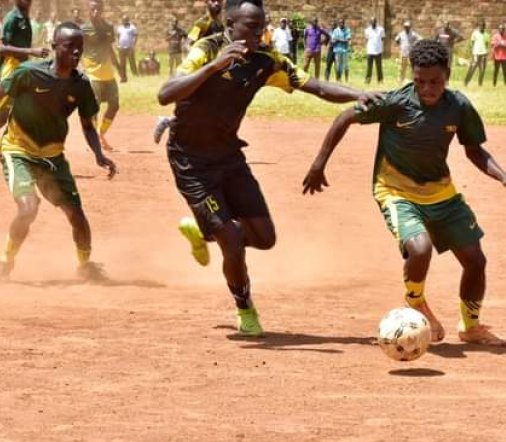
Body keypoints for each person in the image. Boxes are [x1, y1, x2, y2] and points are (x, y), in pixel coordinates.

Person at [157, 0, 380, 336]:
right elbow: (165, 93)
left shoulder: (267, 60)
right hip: (191, 159)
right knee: (232, 240)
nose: (259, 33)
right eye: (251, 26)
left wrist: (357, 94)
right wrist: (214, 67)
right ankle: (245, 307)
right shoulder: (206, 49)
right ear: (230, 24)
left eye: (262, 26)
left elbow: (314, 85)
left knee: (265, 238)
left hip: (229, 156)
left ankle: (205, 229)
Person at [304, 39, 506, 346]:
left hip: (442, 193)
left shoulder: (459, 106)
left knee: (476, 261)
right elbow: (345, 117)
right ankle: (415, 300)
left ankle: (471, 326)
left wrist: (505, 178)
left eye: (435, 82)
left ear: (448, 75)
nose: (427, 88)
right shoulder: (396, 102)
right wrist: (319, 164)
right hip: (395, 190)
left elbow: (474, 150)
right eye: (420, 81)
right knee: (420, 248)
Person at [0, 21, 117, 282]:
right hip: (18, 150)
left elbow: (88, 125)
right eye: (69, 47)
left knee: (77, 216)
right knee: (28, 208)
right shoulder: (29, 73)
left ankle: (85, 265)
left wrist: (99, 154)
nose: (76, 53)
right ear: (55, 47)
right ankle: (4, 262)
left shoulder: (80, 85)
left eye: (80, 48)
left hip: (53, 157)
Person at [0, 0, 50, 176]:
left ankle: (8, 145)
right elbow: (1, 48)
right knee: (0, 116)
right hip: (11, 69)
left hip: (22, 68)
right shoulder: (12, 18)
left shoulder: (25, 16)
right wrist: (31, 51)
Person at [154, 1, 224, 144]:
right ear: (207, 3)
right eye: (213, 0)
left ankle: (168, 122)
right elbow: (188, 43)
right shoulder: (202, 23)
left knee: (205, 109)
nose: (217, 3)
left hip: (210, 72)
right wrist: (195, 59)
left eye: (219, 1)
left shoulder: (221, 25)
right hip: (198, 71)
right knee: (201, 109)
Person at [82, 0, 121, 152]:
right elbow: (77, 50)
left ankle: (100, 133)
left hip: (109, 74)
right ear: (88, 10)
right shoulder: (84, 29)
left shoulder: (108, 28)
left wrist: (120, 69)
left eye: (98, 10)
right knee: (94, 108)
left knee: (114, 105)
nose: (95, 13)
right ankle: (93, 140)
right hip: (93, 74)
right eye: (92, 10)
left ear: (102, 10)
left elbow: (110, 49)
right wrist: (77, 68)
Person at [465, 20, 489, 86]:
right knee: (472, 68)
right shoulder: (475, 33)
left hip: (483, 54)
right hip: (476, 53)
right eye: (480, 26)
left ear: (484, 26)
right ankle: (466, 81)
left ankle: (480, 83)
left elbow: (486, 44)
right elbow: (472, 43)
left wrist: (486, 52)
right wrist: (473, 52)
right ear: (478, 26)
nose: (482, 27)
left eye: (483, 26)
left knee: (482, 70)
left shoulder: (486, 35)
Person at [116, 14, 138, 81]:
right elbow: (118, 36)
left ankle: (135, 74)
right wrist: (118, 44)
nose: (124, 21)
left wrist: (133, 45)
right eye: (123, 20)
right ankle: (123, 76)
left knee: (132, 62)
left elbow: (135, 36)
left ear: (128, 20)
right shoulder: (120, 28)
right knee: (122, 63)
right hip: (121, 48)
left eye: (126, 20)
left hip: (129, 48)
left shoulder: (132, 27)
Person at [364, 17, 385, 84]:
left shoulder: (381, 29)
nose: (373, 23)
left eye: (374, 22)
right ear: (370, 23)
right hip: (370, 51)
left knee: (379, 67)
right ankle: (367, 80)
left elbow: (382, 38)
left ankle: (380, 80)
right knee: (369, 67)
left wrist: (379, 45)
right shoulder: (367, 30)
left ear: (376, 22)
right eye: (372, 22)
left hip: (378, 50)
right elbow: (367, 39)